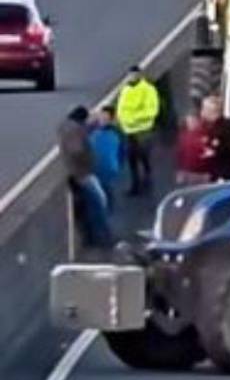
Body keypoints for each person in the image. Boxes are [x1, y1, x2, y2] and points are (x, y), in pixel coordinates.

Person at [57, 106, 113, 249]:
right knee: (99, 200)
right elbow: (77, 149)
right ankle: (101, 235)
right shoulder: (74, 130)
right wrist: (88, 160)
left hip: (74, 172)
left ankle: (90, 236)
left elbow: (84, 130)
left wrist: (94, 123)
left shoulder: (67, 127)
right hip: (82, 172)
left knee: (83, 205)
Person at [116, 65, 160, 195]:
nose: (132, 77)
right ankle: (135, 186)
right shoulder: (126, 89)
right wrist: (122, 120)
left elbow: (152, 110)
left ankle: (147, 182)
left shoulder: (148, 90)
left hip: (143, 130)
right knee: (131, 160)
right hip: (128, 131)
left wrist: (133, 119)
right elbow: (121, 108)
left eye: (134, 75)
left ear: (140, 75)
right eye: (130, 75)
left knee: (144, 158)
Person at [88, 105, 123, 206]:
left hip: (108, 167)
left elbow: (121, 152)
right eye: (101, 117)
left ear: (111, 119)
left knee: (105, 189)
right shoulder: (94, 131)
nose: (102, 120)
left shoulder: (115, 134)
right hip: (98, 167)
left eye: (105, 118)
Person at [200, 95, 230, 181]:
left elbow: (224, 148)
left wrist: (211, 151)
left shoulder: (224, 127)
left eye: (204, 109)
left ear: (211, 111)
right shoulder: (207, 127)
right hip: (212, 174)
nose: (202, 112)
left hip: (223, 174)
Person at [176, 111, 211, 185]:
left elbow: (210, 152)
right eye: (189, 121)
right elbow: (179, 154)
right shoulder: (183, 136)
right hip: (189, 173)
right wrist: (180, 171)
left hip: (204, 173)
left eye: (193, 121)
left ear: (198, 121)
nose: (191, 123)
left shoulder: (206, 133)